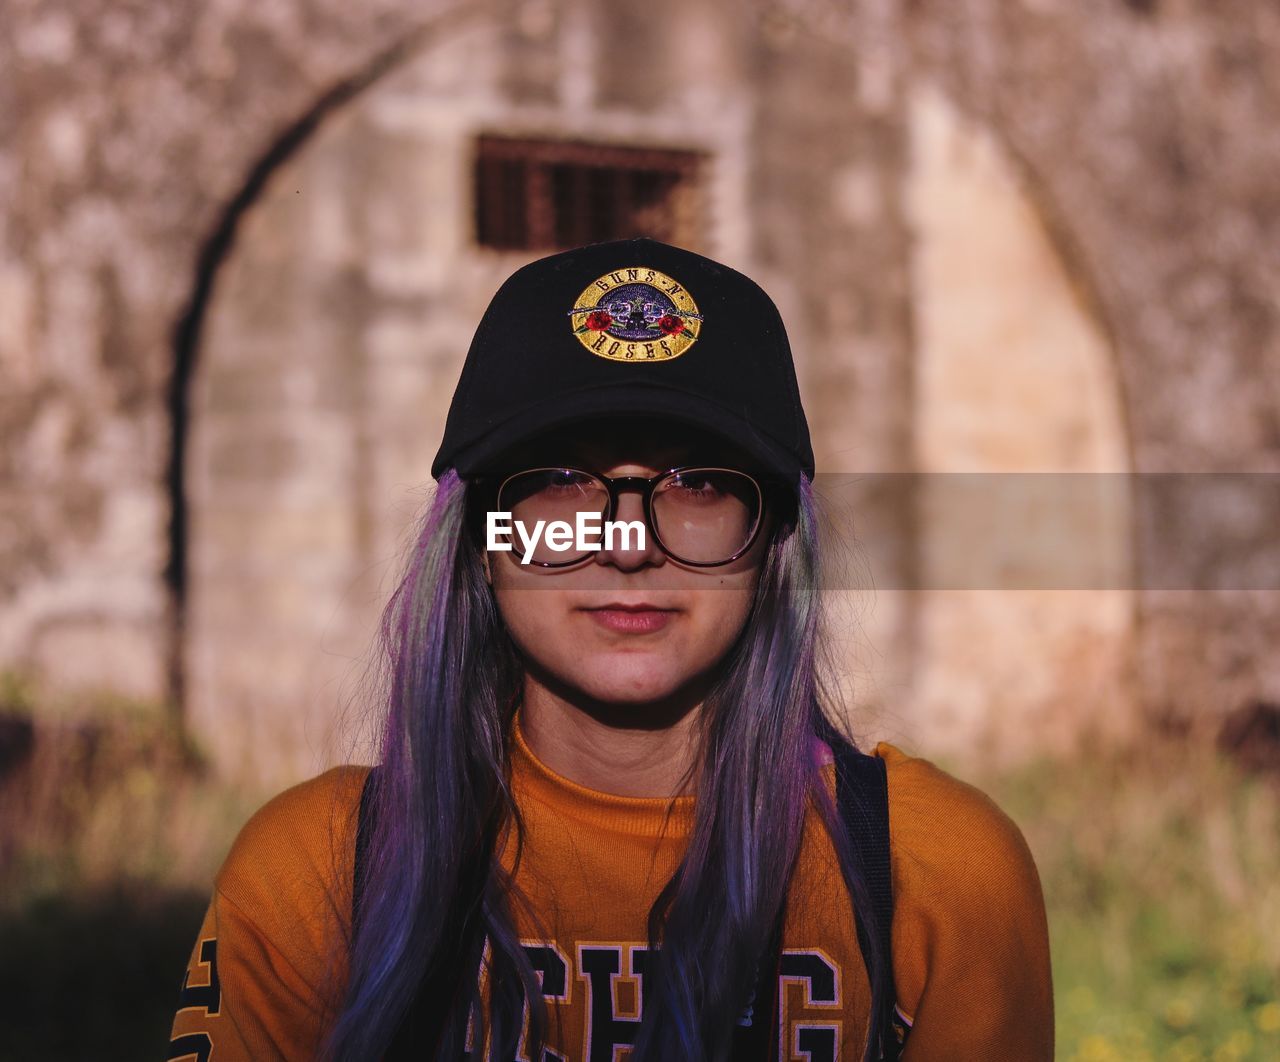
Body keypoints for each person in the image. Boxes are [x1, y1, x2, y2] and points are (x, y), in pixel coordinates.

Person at [167, 237, 1053, 1061]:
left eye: (698, 482)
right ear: (481, 536)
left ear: (773, 536)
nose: (628, 543)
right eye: (557, 481)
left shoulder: (937, 875)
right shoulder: (313, 875)